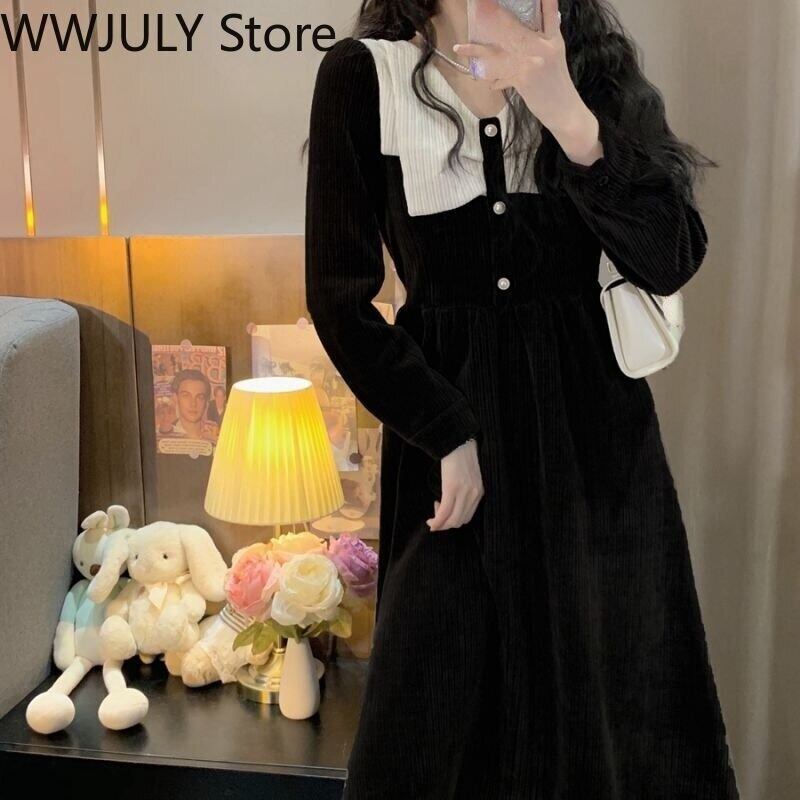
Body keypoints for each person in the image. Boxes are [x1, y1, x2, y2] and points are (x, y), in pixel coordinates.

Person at [303, 1, 740, 797]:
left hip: (592, 448)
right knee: (437, 710)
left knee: (611, 712)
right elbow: (338, 299)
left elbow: (671, 255)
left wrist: (568, 115)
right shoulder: (364, 77)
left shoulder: (591, 66)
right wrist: (445, 431)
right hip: (449, 454)